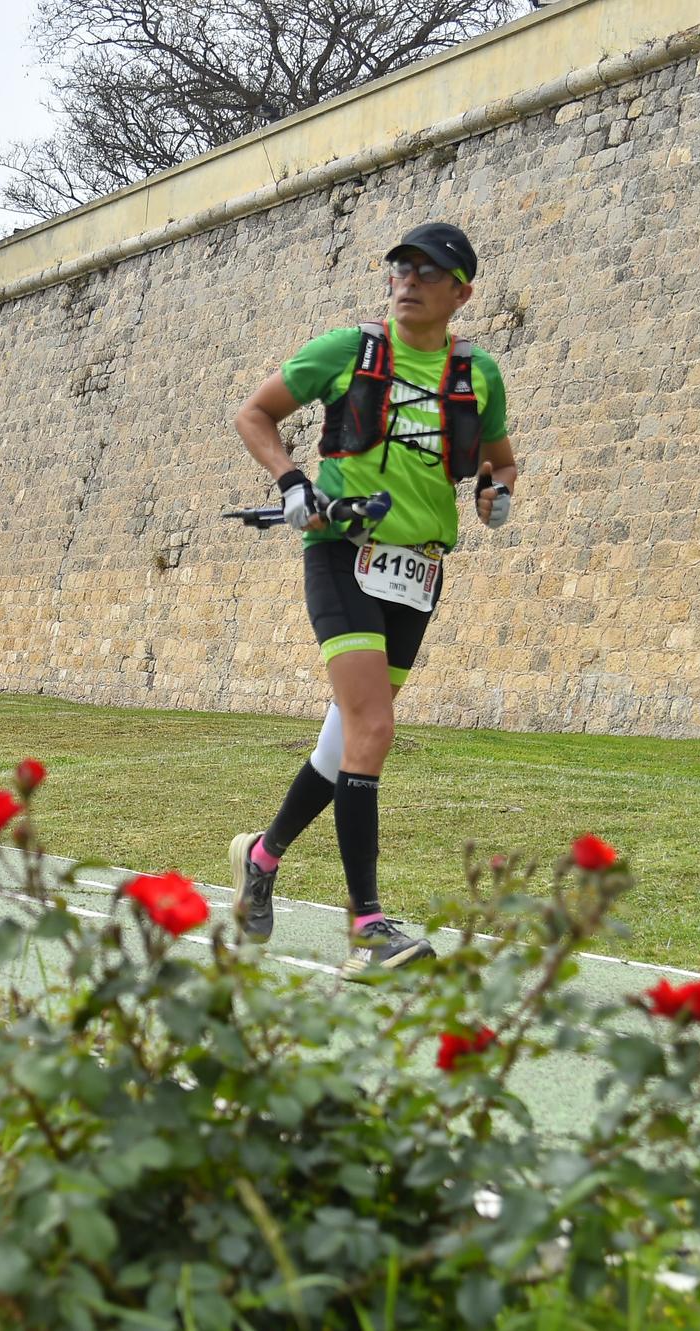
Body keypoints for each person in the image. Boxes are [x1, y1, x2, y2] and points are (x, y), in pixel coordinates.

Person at [230, 222, 518, 976]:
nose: (409, 278)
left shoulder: (479, 373)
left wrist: (496, 495)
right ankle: (367, 927)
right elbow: (253, 414)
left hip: (418, 574)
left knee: (343, 747)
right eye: (401, 266)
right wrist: (293, 483)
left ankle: (261, 858)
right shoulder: (345, 351)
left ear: (462, 292)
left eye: (429, 271)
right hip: (341, 555)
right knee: (375, 727)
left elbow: (500, 462)